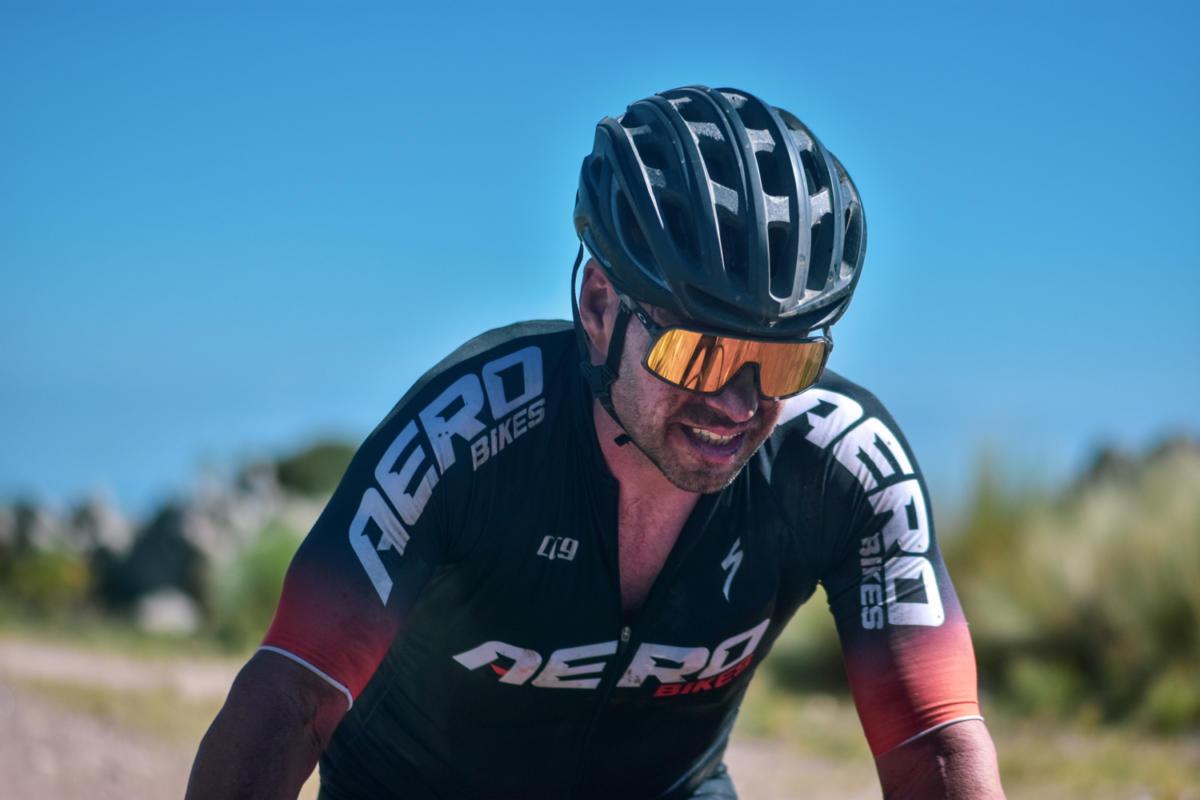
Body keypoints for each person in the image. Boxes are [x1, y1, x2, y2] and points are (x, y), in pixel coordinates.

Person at [187, 85, 1004, 799]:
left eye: (786, 362)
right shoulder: (466, 430)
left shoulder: (842, 466)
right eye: (701, 354)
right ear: (600, 306)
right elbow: (292, 699)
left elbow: (933, 744)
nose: (739, 403)